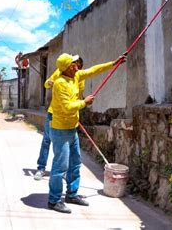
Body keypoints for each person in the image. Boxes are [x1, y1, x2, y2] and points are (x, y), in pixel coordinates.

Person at [47, 53, 126, 214]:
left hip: (72, 127)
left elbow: (93, 70)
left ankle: (71, 194)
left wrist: (113, 62)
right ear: (68, 67)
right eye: (74, 63)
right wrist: (84, 102)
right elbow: (67, 107)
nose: (77, 65)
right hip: (60, 130)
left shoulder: (75, 75)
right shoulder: (60, 84)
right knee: (60, 167)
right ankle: (54, 200)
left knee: (75, 163)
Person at [34, 56, 85, 181]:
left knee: (66, 148)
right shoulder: (60, 72)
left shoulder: (79, 77)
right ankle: (41, 168)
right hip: (54, 113)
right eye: (73, 64)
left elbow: (77, 96)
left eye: (77, 65)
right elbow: (46, 83)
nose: (75, 67)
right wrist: (50, 83)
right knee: (47, 140)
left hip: (69, 116)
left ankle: (63, 172)